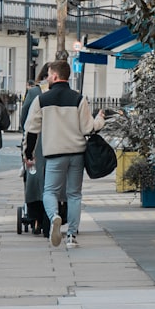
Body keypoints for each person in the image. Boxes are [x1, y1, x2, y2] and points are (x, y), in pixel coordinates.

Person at [23, 59, 105, 249]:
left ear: (55, 75)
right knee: (74, 194)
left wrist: (29, 153)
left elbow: (31, 130)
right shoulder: (78, 99)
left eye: (49, 74)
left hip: (54, 154)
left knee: (50, 192)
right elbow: (88, 128)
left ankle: (54, 217)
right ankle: (71, 236)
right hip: (77, 154)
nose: (47, 79)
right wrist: (100, 119)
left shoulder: (41, 100)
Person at [20, 64, 51, 235]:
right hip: (55, 142)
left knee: (34, 181)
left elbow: (24, 119)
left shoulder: (33, 93)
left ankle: (36, 218)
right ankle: (51, 217)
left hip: (37, 141)